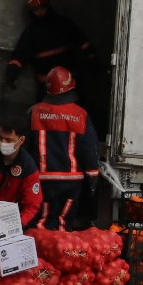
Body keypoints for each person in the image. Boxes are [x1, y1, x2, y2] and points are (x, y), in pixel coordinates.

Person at [26, 67, 100, 230]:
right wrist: (92, 180)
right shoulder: (81, 115)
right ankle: (63, 253)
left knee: (41, 223)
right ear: (71, 87)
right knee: (64, 224)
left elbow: (25, 147)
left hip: (42, 180)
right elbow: (90, 151)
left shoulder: (34, 112)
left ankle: (39, 254)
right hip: (71, 182)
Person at [5, 0, 97, 98]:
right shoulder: (30, 32)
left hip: (68, 82)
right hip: (46, 86)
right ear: (32, 12)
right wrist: (12, 71)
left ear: (47, 7)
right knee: (46, 112)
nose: (40, 12)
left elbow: (81, 40)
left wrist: (92, 58)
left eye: (42, 8)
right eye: (36, 9)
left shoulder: (64, 23)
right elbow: (20, 54)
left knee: (71, 110)